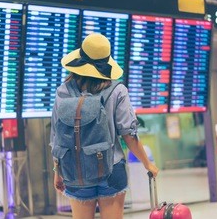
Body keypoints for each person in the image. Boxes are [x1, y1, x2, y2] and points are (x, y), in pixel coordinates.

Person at [50, 33, 159, 219]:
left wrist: (57, 171)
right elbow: (129, 134)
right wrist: (148, 164)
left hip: (75, 171)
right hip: (111, 168)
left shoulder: (63, 91)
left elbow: (57, 137)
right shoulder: (117, 90)